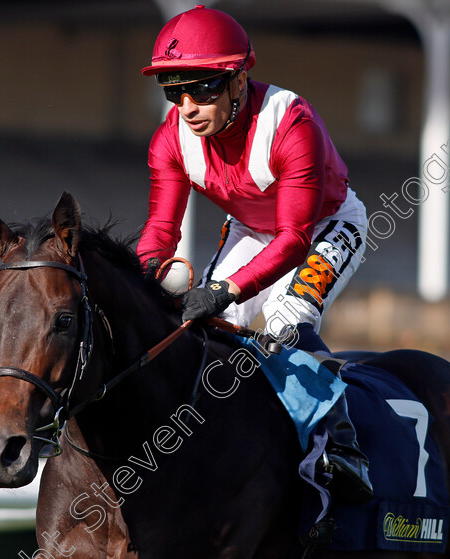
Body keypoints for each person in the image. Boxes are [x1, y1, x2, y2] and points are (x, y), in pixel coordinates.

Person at [137, 6, 372, 503]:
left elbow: (294, 239)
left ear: (239, 80)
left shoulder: (291, 123)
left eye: (202, 87)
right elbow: (161, 230)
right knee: (202, 330)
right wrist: (141, 278)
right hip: (252, 227)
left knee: (283, 318)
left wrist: (225, 289)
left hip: (324, 227)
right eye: (174, 90)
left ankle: (343, 442)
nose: (188, 105)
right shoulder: (170, 141)